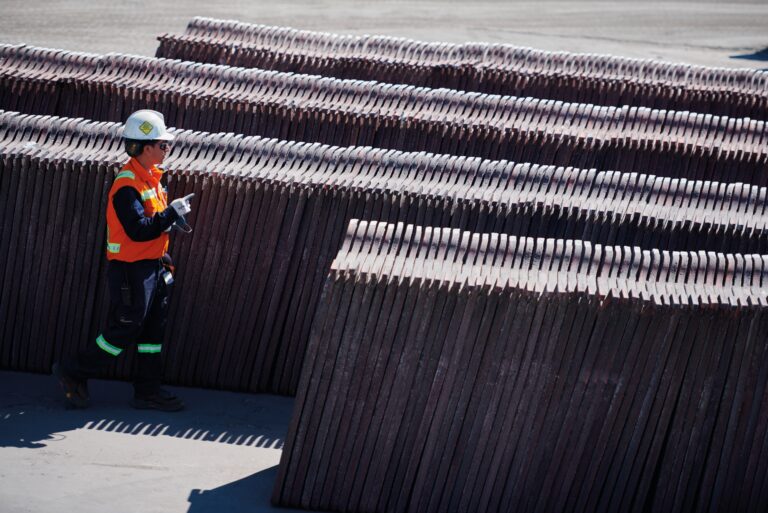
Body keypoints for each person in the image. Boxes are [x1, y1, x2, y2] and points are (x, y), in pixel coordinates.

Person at [53, 110, 194, 412]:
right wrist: (171, 214)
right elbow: (138, 230)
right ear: (146, 148)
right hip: (131, 270)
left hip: (152, 266)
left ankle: (148, 391)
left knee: (152, 330)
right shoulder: (127, 185)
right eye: (163, 144)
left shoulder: (150, 180)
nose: (167, 149)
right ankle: (74, 370)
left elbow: (151, 225)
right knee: (126, 328)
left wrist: (166, 225)